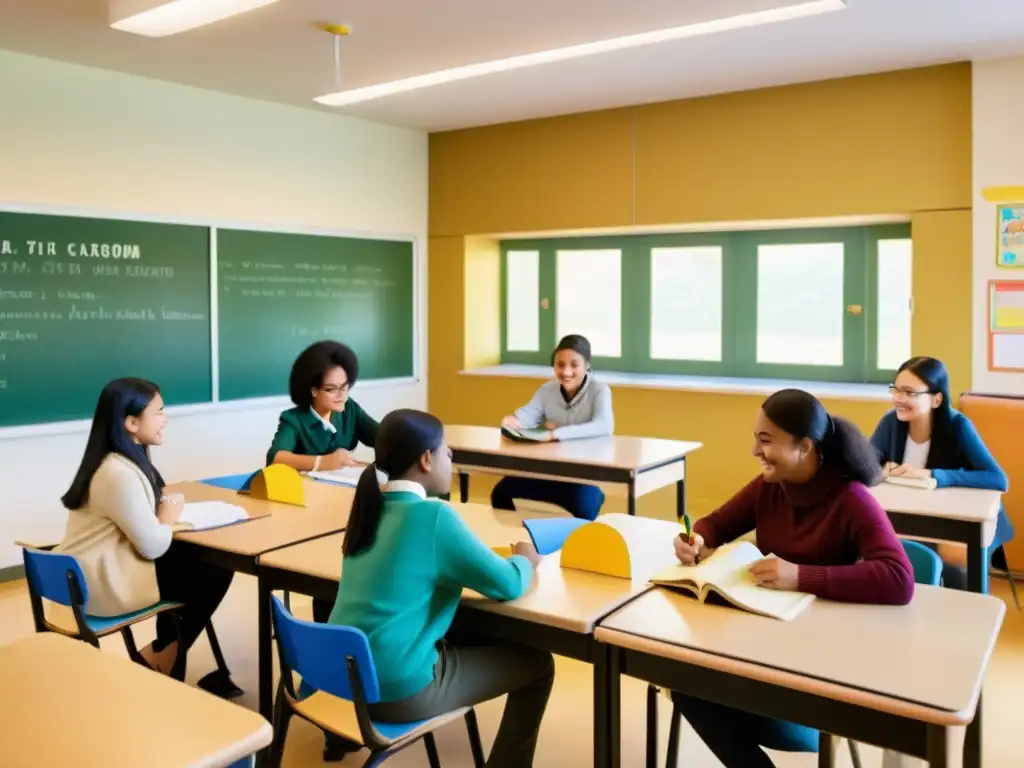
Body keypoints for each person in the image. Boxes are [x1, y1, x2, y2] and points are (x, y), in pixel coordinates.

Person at [670, 389, 914, 768]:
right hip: (763, 648)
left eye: (765, 441)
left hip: (819, 667)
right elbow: (716, 523)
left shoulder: (851, 498)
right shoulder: (769, 487)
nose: (754, 450)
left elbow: (899, 578)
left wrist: (801, 576)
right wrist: (697, 538)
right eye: (755, 438)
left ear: (805, 446)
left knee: (699, 692)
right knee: (686, 686)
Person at [328, 409, 554, 767]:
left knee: (467, 631)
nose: (451, 458)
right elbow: (508, 585)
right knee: (538, 665)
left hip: (343, 677)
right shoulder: (435, 517)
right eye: (447, 450)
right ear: (426, 459)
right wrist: (526, 558)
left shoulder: (369, 508)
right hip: (396, 687)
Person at [58, 378, 234, 683]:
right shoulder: (117, 473)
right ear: (131, 422)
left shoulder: (116, 462)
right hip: (99, 584)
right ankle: (162, 655)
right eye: (159, 412)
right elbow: (152, 545)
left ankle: (165, 653)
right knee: (214, 567)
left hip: (87, 574)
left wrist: (163, 517)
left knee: (191, 561)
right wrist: (167, 517)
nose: (166, 419)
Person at [266, 340, 380, 761]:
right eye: (332, 389)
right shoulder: (294, 419)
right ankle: (329, 702)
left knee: (344, 589)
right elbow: (275, 457)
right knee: (325, 593)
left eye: (346, 386)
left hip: (349, 516)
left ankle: (335, 697)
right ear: (312, 390)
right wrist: (319, 463)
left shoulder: (350, 411)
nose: (341, 396)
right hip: (308, 523)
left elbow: (381, 435)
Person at [870, 356, 1013, 587]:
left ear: (936, 399)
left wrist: (934, 475)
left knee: (948, 563)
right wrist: (881, 468)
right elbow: (864, 464)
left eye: (909, 392)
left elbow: (998, 479)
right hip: (909, 516)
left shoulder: (958, 426)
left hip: (955, 521)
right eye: (895, 389)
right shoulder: (890, 423)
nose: (899, 398)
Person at [494, 334, 613, 520]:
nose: (566, 372)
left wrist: (555, 434)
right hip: (546, 472)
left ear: (587, 365)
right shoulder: (547, 390)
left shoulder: (600, 390)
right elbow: (529, 414)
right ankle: (521, 540)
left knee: (583, 508)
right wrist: (515, 420)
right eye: (560, 365)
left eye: (574, 365)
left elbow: (604, 425)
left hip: (582, 478)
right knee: (500, 494)